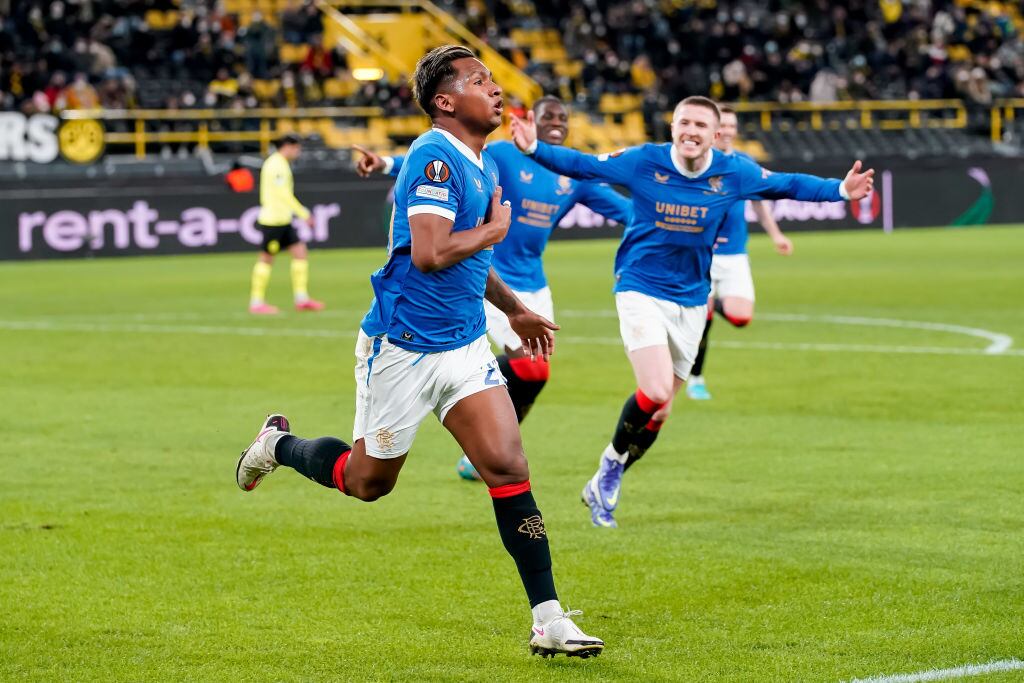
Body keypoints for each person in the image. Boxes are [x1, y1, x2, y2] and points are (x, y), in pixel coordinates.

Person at [236, 45, 604, 658]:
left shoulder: (478, 161)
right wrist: (494, 230)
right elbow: (432, 253)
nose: (495, 88)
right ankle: (277, 446)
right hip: (402, 348)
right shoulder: (434, 157)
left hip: (464, 345)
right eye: (479, 81)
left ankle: (548, 619)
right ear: (445, 101)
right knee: (367, 483)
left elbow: (471, 260)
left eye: (492, 79)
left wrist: (513, 308)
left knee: (508, 468)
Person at [509, 96, 874, 528]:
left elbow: (786, 184)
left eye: (701, 125)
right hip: (639, 288)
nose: (691, 131)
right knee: (656, 390)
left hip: (693, 299)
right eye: (684, 122)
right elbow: (585, 165)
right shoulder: (645, 160)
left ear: (716, 134)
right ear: (673, 128)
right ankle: (609, 466)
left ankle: (609, 473)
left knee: (661, 411)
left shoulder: (733, 171)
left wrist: (839, 190)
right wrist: (535, 149)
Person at [354, 96, 632, 482]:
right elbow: (442, 164)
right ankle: (472, 426)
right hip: (489, 277)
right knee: (527, 365)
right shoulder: (503, 153)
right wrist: (385, 163)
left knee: (535, 373)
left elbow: (626, 211)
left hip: (535, 284)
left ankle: (482, 443)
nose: (556, 122)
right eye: (548, 115)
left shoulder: (572, 176)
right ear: (532, 119)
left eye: (562, 117)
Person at [686, 104, 795, 401]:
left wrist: (776, 235)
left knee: (741, 316)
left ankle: (710, 305)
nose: (728, 131)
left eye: (732, 126)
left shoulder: (744, 163)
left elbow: (759, 202)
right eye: (723, 125)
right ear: (713, 129)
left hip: (735, 254)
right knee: (701, 326)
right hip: (702, 253)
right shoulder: (696, 162)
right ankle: (696, 379)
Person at [249, 133, 325, 314]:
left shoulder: (279, 163)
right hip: (273, 221)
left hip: (283, 220)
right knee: (266, 258)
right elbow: (283, 194)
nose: (298, 152)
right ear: (288, 147)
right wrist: (303, 213)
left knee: (300, 253)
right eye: (297, 148)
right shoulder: (276, 164)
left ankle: (301, 298)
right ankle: (256, 302)